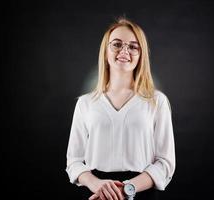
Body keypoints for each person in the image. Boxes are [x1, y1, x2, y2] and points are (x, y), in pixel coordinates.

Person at [66, 17, 176, 200]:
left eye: (133, 46)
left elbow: (165, 163)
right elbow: (74, 161)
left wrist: (127, 189)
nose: (124, 50)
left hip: (141, 192)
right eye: (117, 44)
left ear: (141, 55)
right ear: (105, 52)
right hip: (98, 194)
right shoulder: (85, 103)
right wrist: (97, 185)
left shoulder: (157, 101)